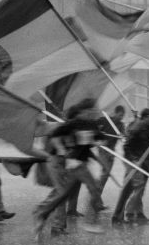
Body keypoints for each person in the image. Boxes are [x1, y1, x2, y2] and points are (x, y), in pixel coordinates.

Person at [33, 99, 107, 236]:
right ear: (82, 112)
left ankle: (44, 212)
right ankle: (57, 224)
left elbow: (89, 145)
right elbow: (54, 139)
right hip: (61, 162)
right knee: (64, 192)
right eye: (91, 111)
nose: (94, 113)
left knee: (63, 193)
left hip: (75, 163)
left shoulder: (90, 125)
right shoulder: (70, 125)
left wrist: (98, 143)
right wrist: (62, 150)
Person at [94, 105, 126, 191]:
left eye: (123, 116)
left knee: (106, 174)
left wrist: (122, 136)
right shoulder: (105, 120)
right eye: (120, 115)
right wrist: (98, 134)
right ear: (115, 113)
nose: (121, 117)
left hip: (111, 151)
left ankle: (97, 193)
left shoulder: (121, 125)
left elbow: (124, 137)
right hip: (103, 148)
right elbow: (93, 127)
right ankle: (95, 191)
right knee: (105, 172)